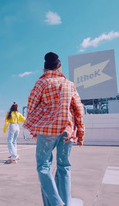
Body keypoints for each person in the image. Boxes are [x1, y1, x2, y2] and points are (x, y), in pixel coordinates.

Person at [23, 52, 85, 206]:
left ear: (45, 68)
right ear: (59, 67)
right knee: (64, 166)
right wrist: (80, 133)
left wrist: (34, 129)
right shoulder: (69, 84)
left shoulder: (42, 83)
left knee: (43, 166)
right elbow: (78, 109)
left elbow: (31, 106)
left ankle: (56, 203)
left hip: (46, 130)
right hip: (66, 129)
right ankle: (66, 202)